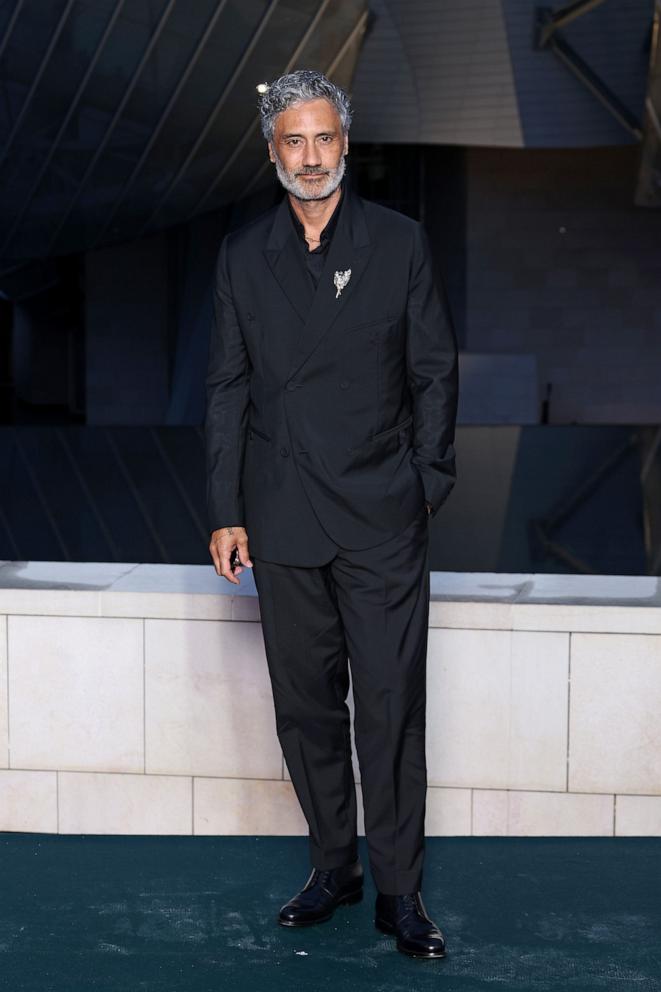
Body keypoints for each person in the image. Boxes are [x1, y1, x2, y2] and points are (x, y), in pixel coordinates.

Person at [205, 69, 458, 959]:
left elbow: (432, 370)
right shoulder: (243, 255)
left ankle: (400, 892)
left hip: (382, 513)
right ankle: (332, 868)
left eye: (322, 139)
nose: (309, 158)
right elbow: (228, 387)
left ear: (344, 145)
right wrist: (226, 508)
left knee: (389, 708)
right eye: (292, 142)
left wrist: (425, 481)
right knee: (305, 708)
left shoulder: (399, 243)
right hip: (281, 518)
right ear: (273, 153)